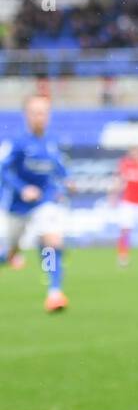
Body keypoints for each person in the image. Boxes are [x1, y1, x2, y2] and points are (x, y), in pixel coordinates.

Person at [1, 93, 69, 312]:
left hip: (44, 202)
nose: (41, 117)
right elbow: (4, 170)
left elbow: (60, 170)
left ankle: (54, 292)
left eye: (44, 112)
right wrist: (23, 188)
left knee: (52, 242)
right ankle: (10, 255)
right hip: (16, 207)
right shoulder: (17, 143)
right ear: (27, 115)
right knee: (10, 252)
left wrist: (67, 182)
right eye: (36, 112)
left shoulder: (51, 143)